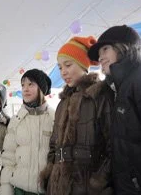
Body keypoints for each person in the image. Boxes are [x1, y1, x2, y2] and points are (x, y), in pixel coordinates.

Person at [88, 25, 141, 194]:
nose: (100, 57)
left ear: (124, 48)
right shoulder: (120, 88)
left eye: (105, 49)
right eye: (99, 53)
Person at [40, 36, 114, 195]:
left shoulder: (100, 96)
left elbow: (113, 147)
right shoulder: (62, 103)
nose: (63, 72)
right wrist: (50, 174)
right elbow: (54, 145)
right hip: (57, 187)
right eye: (60, 67)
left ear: (83, 64)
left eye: (68, 65)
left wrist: (98, 182)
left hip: (87, 188)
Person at [0, 69, 55, 195]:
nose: (25, 89)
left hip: (47, 189)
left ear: (41, 88)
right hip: (20, 189)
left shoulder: (54, 118)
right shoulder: (16, 120)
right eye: (23, 85)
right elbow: (8, 159)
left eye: (31, 84)